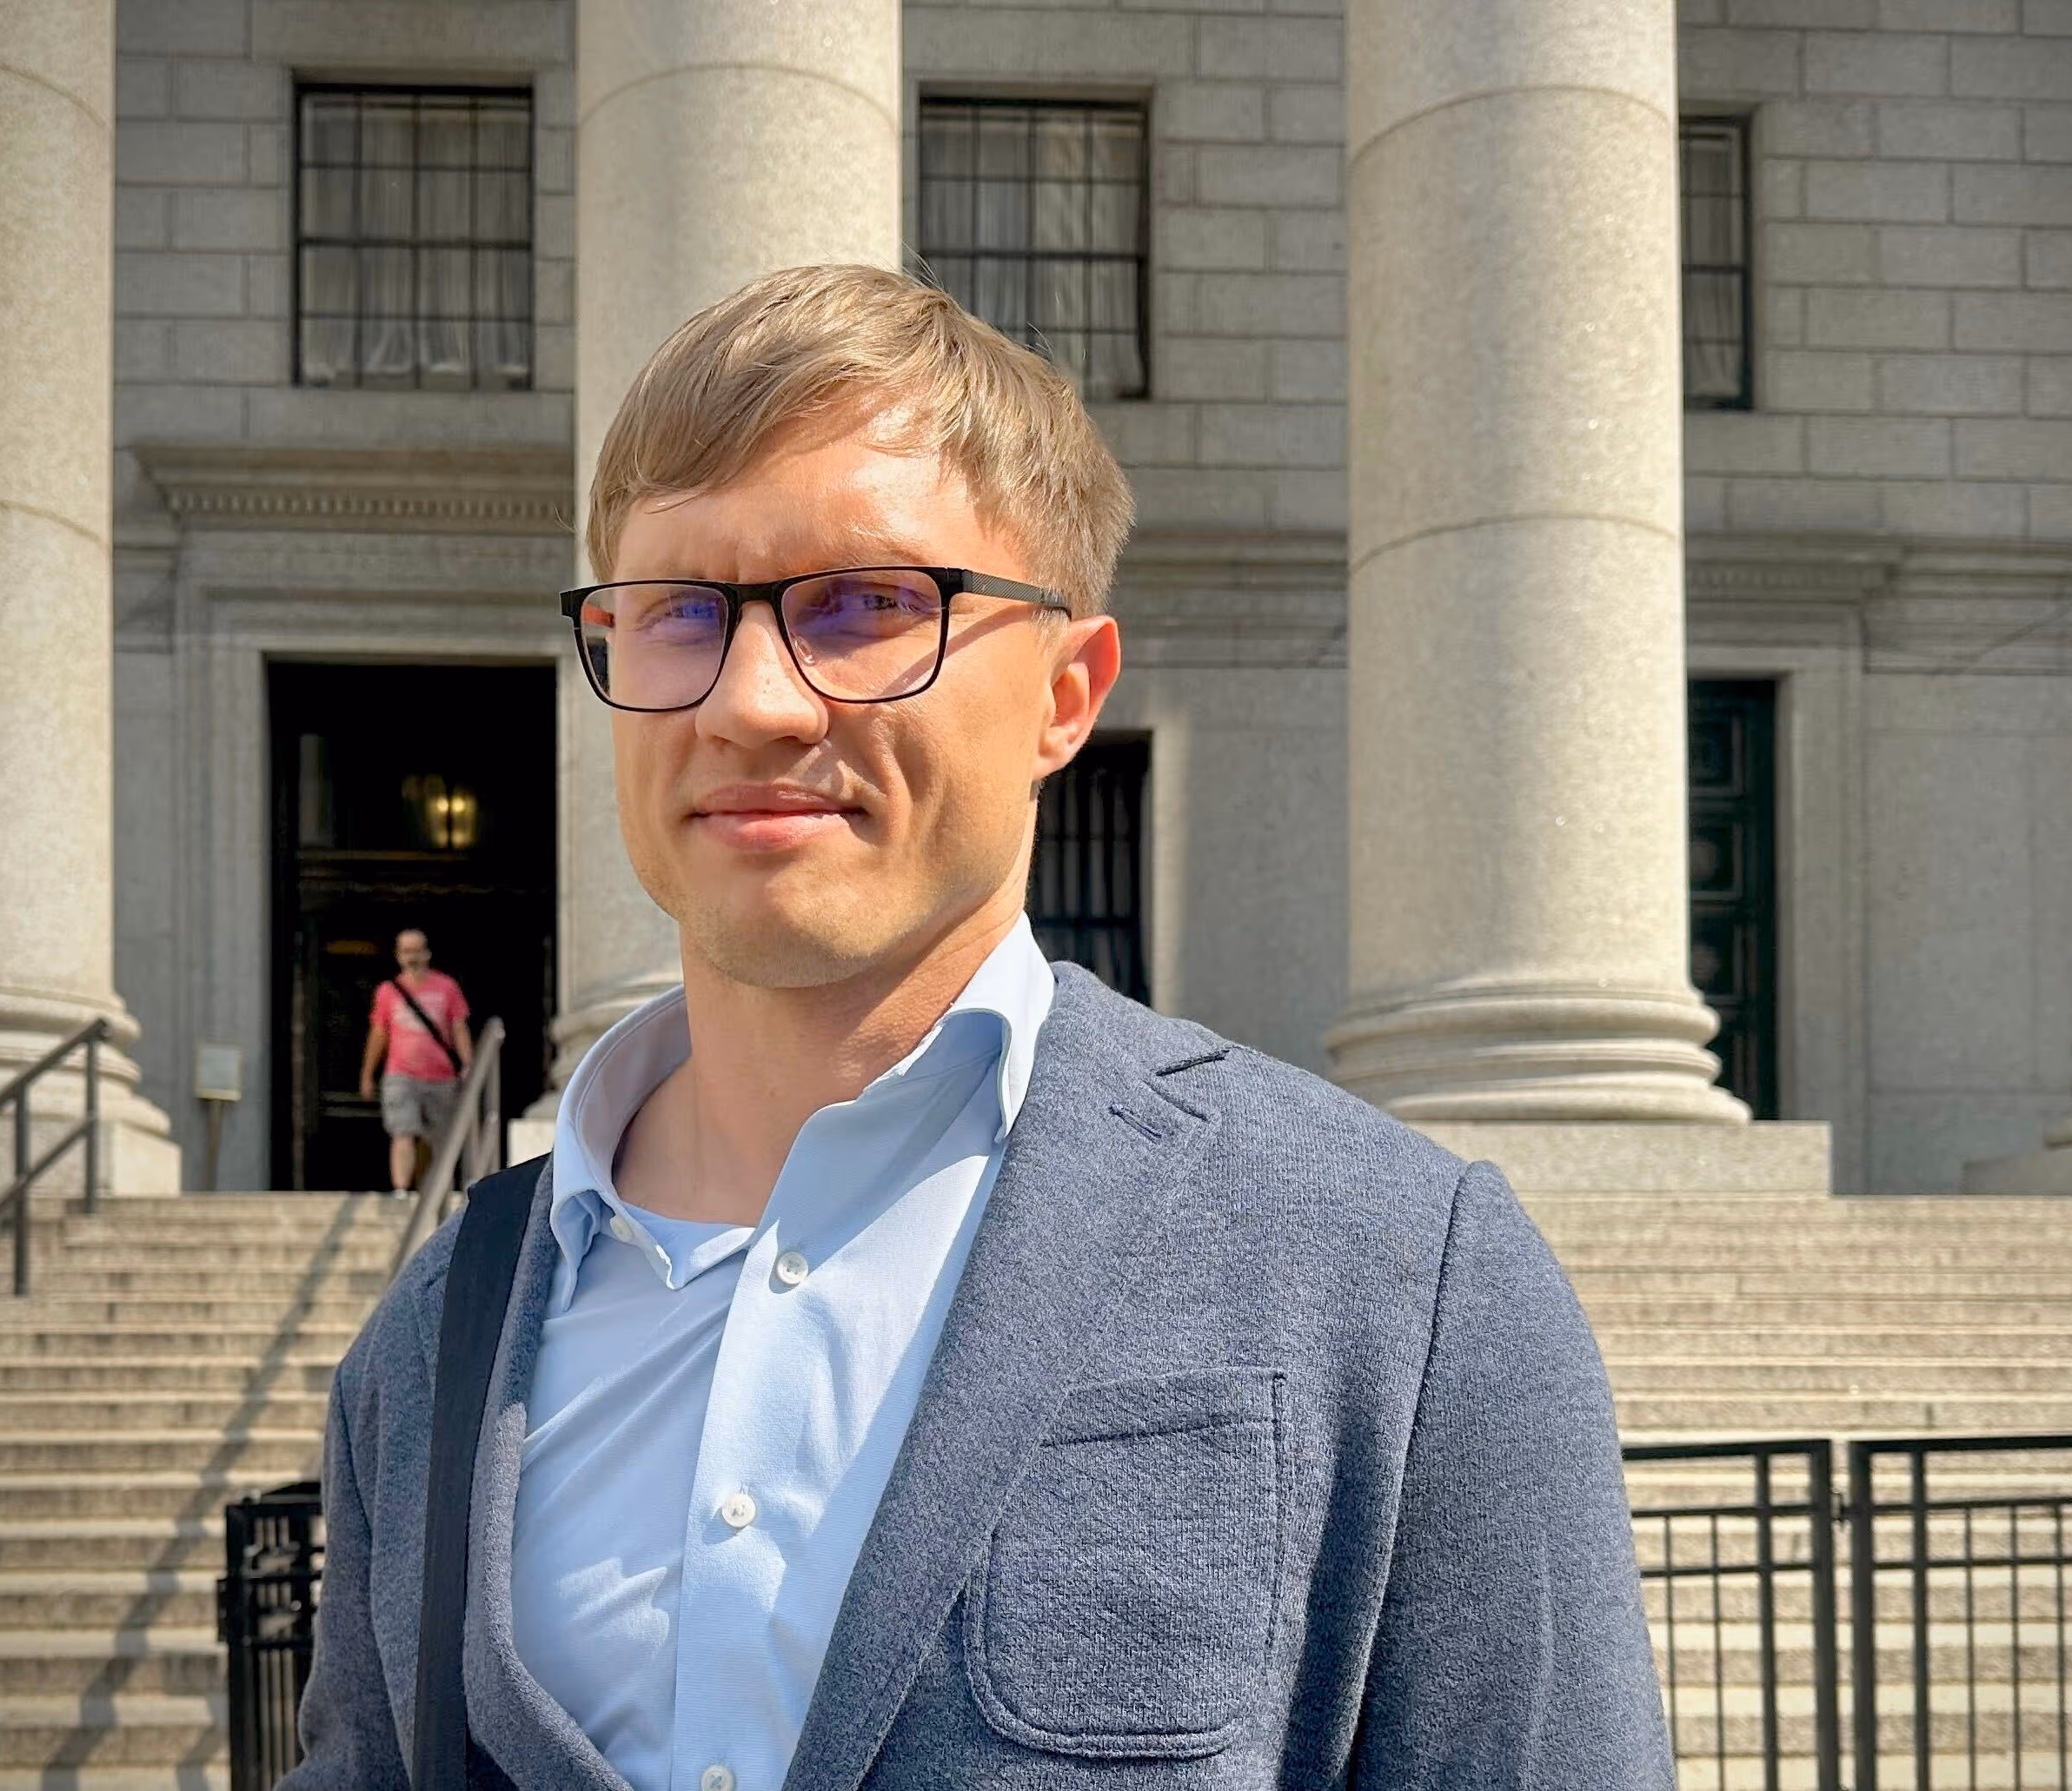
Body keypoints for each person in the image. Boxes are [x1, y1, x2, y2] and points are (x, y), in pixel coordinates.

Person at [290, 265, 1671, 1789]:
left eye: (868, 605)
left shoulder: (1404, 1278)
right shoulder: (431, 1342)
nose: (750, 701)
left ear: (1065, 695)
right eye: (676, 612)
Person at [356, 928, 472, 1193]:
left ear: (428, 953)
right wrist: (367, 1074)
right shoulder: (388, 992)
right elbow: (379, 1034)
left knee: (443, 1139)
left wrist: (468, 1064)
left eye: (417, 950)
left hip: (442, 1076)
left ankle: (443, 1190)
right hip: (401, 1074)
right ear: (398, 956)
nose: (412, 957)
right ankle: (401, 1191)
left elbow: (459, 1028)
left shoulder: (447, 987)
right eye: (406, 951)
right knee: (403, 1132)